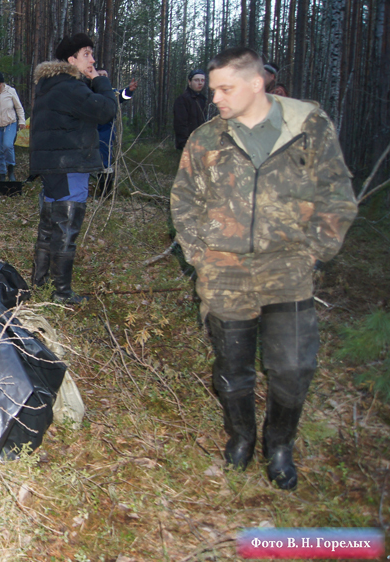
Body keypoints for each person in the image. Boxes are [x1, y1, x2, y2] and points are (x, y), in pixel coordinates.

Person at [171, 47, 357, 490]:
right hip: (225, 273)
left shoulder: (308, 128)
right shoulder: (206, 139)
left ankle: (279, 445)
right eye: (212, 88)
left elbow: (337, 194)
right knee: (232, 367)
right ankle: (241, 438)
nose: (215, 97)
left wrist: (313, 251)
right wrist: (202, 255)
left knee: (293, 367)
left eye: (225, 88)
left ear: (258, 85)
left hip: (288, 271)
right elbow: (183, 201)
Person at [29, 33, 118, 304]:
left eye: (92, 54)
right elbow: (105, 111)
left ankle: (39, 284)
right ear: (71, 60)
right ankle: (62, 294)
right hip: (69, 165)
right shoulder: (70, 86)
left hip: (53, 165)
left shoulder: (52, 85)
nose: (92, 59)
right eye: (86, 54)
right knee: (66, 229)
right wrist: (101, 81)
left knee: (48, 227)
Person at [94, 70, 138, 196]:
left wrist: (129, 90)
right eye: (99, 75)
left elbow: (123, 96)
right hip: (87, 132)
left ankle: (105, 193)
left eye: (105, 76)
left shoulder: (111, 93)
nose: (102, 77)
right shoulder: (87, 91)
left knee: (105, 162)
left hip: (105, 132)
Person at [173, 69, 209, 149]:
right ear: (189, 82)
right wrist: (185, 145)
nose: (200, 83)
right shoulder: (182, 100)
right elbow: (180, 125)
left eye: (202, 80)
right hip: (188, 146)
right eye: (196, 80)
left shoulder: (202, 100)